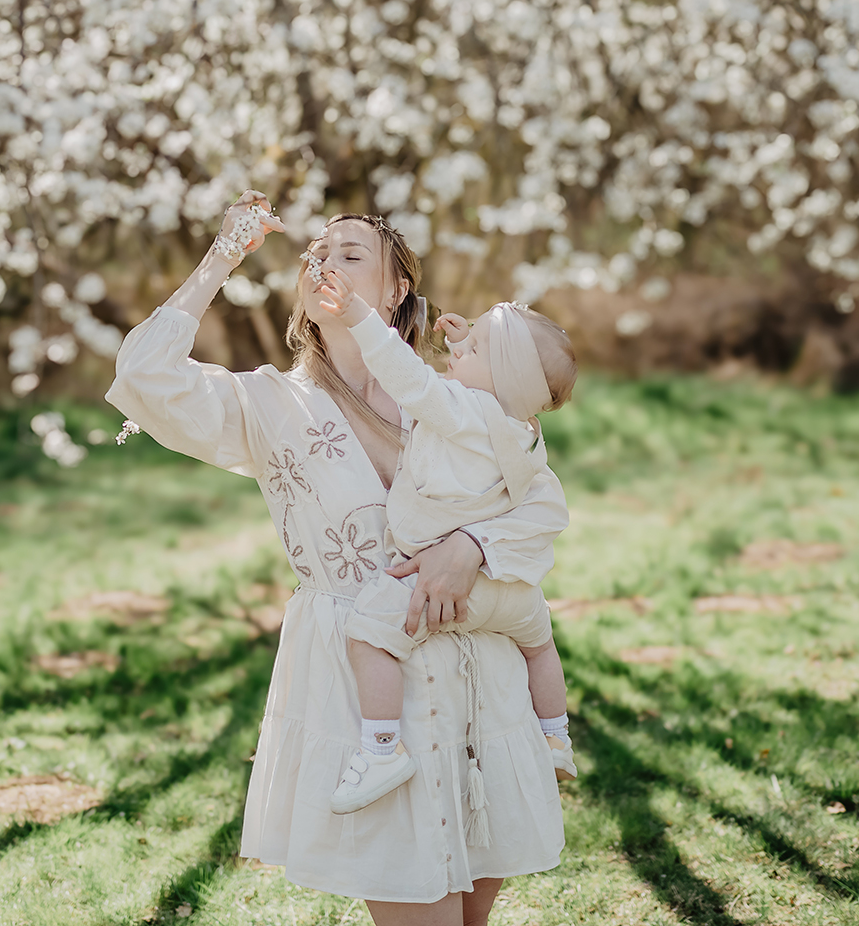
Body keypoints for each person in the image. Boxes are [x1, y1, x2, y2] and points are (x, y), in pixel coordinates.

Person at [106, 192, 565, 924]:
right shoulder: (267, 405)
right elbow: (144, 377)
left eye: (351, 253)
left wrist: (472, 546)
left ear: (396, 291)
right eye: (315, 254)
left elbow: (541, 503)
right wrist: (223, 256)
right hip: (373, 703)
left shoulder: (452, 395)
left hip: (483, 688)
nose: (324, 261)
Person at [312, 269, 577, 815]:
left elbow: (410, 379)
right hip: (511, 591)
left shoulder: (459, 408)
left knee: (369, 634)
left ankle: (381, 749)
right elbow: (491, 381)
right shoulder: (521, 429)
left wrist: (360, 315)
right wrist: (467, 345)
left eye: (473, 347)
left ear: (496, 373)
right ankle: (555, 737)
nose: (457, 351)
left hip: (445, 587)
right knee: (541, 645)